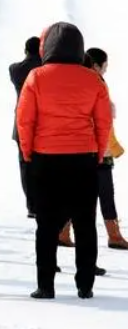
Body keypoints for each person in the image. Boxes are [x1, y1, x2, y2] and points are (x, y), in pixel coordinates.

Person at [16, 22, 112, 300]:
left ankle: (46, 285)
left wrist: (28, 153)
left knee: (46, 225)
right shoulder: (93, 79)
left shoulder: (36, 77)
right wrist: (97, 151)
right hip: (83, 158)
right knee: (85, 223)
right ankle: (85, 285)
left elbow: (25, 120)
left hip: (46, 158)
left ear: (46, 46)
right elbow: (103, 121)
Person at [82, 48, 128, 250]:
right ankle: (114, 235)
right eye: (105, 66)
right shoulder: (97, 83)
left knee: (80, 194)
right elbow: (103, 119)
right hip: (99, 147)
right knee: (106, 193)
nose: (106, 70)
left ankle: (63, 231)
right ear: (96, 65)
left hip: (82, 148)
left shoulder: (79, 81)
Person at [9, 36, 42, 217]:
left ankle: (31, 206)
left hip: (21, 125)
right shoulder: (44, 69)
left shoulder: (15, 70)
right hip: (42, 123)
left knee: (25, 166)